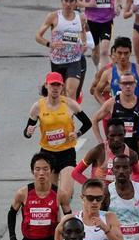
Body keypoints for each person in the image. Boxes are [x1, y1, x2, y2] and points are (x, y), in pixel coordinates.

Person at [25, 72, 93, 215]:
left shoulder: (69, 104)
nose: (55, 88)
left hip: (66, 152)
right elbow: (27, 131)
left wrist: (77, 134)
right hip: (47, 154)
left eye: (58, 85)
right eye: (52, 85)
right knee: (52, 197)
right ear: (47, 86)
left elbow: (87, 123)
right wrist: (28, 131)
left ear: (62, 87)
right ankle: (55, 228)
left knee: (65, 195)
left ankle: (67, 222)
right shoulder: (38, 107)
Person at [36, 0, 90, 101]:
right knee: (59, 95)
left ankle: (70, 117)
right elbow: (38, 36)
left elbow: (83, 35)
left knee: (70, 92)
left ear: (75, 3)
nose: (68, 4)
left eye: (71, 1)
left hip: (74, 60)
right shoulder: (53, 16)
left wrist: (83, 44)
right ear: (62, 1)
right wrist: (50, 44)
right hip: (57, 61)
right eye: (66, 0)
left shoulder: (81, 18)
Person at [90, 70, 139, 154]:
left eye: (130, 83)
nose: (128, 86)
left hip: (134, 143)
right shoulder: (111, 103)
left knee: (133, 166)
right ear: (120, 85)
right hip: (115, 144)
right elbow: (94, 120)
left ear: (135, 84)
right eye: (124, 83)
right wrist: (100, 141)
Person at [72, 119, 139, 187]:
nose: (116, 139)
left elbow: (137, 173)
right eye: (112, 135)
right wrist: (92, 186)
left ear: (125, 133)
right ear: (107, 134)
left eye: (120, 135)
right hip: (100, 196)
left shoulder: (132, 154)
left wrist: (133, 186)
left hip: (120, 195)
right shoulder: (98, 151)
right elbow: (76, 173)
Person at [79, 0, 122, 67]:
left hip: (107, 22)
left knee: (104, 51)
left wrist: (118, 6)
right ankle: (98, 70)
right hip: (92, 22)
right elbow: (77, 2)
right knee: (95, 51)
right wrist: (89, 5)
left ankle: (105, 74)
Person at [92, 36, 139, 104]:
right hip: (117, 113)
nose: (123, 56)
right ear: (114, 52)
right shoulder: (108, 73)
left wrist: (138, 102)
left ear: (130, 52)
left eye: (126, 53)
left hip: (136, 113)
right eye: (119, 53)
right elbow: (96, 92)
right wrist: (106, 106)